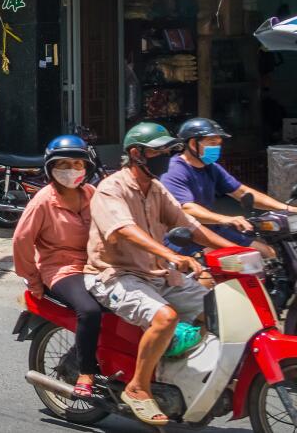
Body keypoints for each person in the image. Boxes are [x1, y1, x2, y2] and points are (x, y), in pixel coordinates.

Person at [87, 122, 233, 426]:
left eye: (168, 150)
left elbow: (191, 226)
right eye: (159, 150)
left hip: (156, 273)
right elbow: (124, 230)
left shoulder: (156, 188)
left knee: (217, 309)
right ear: (136, 153)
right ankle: (138, 387)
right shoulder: (110, 189)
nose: (166, 155)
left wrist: (234, 251)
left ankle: (172, 377)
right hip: (117, 274)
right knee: (164, 317)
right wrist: (171, 255)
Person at [12, 135, 102, 398]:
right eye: (63, 164)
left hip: (94, 267)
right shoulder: (43, 201)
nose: (71, 170)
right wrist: (32, 278)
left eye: (77, 164)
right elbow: (21, 240)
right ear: (51, 167)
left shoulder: (91, 193)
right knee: (89, 310)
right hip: (61, 270)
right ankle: (86, 372)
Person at [161, 117, 295, 257]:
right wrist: (225, 219)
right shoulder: (175, 171)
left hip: (213, 227)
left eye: (219, 144)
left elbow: (242, 192)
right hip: (187, 234)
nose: (216, 148)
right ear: (193, 144)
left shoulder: (211, 168)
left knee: (268, 253)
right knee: (230, 264)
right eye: (212, 143)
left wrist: (287, 208)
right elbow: (187, 208)